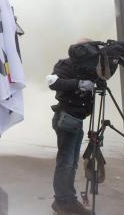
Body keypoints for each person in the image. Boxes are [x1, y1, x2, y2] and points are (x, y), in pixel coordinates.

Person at [46, 40, 98, 215]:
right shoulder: (65, 65)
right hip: (66, 118)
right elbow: (53, 82)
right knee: (66, 162)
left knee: (72, 162)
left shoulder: (90, 67)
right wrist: (79, 84)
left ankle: (66, 200)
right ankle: (64, 202)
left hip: (76, 120)